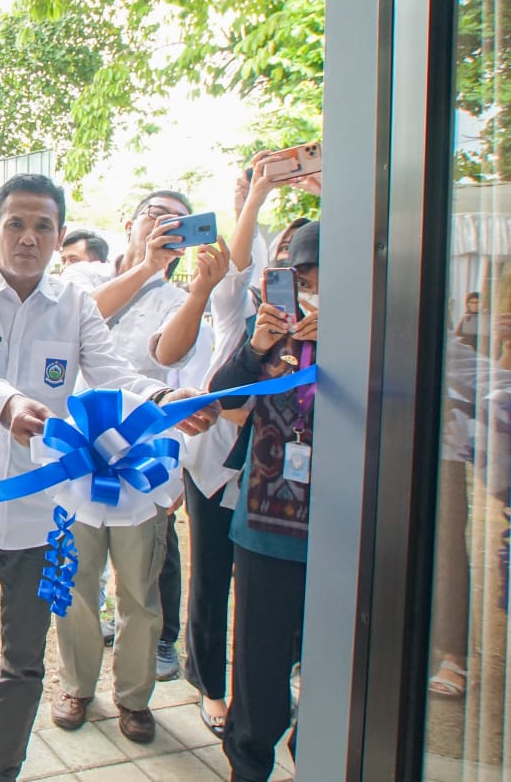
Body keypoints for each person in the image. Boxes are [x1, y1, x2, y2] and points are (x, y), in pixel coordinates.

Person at [0, 174, 217, 782]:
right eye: (15, 224)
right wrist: (8, 403)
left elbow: (111, 372)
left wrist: (164, 397)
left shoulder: (73, 304)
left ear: (59, 235)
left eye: (42, 226)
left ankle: (3, 769)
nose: (27, 238)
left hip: (41, 515)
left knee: (23, 659)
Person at [57, 189, 225, 736]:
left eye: (178, 220)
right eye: (156, 215)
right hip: (79, 460)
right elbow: (77, 319)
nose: (165, 226)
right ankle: (77, 687)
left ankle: (133, 697)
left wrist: (198, 288)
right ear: (128, 221)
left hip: (143, 465)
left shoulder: (179, 296)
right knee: (77, 583)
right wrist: (147, 264)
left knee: (140, 592)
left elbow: (168, 356)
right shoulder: (85, 277)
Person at [211, 220, 320, 782]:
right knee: (258, 664)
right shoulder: (267, 330)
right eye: (302, 279)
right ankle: (248, 765)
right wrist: (259, 347)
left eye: (325, 281)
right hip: (266, 526)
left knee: (333, 663)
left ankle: (320, 754)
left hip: (342, 532)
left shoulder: (377, 333)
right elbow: (224, 404)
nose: (311, 293)